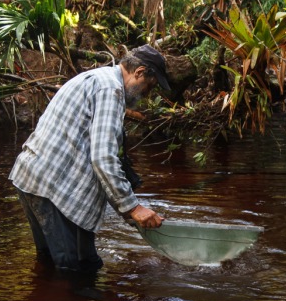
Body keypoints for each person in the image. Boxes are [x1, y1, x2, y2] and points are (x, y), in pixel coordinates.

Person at [9, 45, 168, 275]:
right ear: (139, 72)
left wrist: (125, 209)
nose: (146, 95)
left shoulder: (97, 79)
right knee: (69, 271)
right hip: (52, 189)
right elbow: (103, 157)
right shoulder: (111, 90)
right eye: (148, 88)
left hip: (35, 179)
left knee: (65, 264)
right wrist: (133, 207)